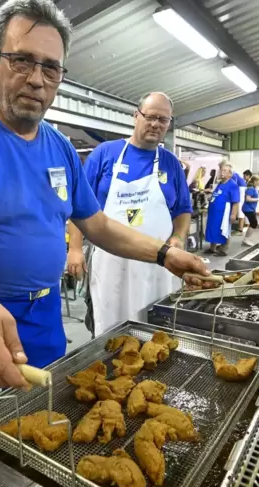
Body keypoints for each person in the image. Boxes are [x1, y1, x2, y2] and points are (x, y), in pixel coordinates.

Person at [0, 0, 208, 425]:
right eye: (22, 61)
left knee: (47, 424)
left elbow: (97, 223)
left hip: (46, 316)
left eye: (51, 68)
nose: (36, 79)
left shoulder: (61, 148)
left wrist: (164, 253)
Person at [66, 91, 192, 335]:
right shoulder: (105, 154)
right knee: (110, 326)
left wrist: (178, 237)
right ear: (136, 116)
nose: (156, 124)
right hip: (111, 261)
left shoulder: (171, 163)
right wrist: (74, 249)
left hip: (160, 263)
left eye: (163, 120)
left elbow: (183, 210)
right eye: (151, 116)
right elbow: (78, 206)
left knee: (158, 327)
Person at [204, 163, 240, 255]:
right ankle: (212, 248)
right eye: (221, 170)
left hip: (224, 212)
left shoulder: (233, 185)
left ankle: (224, 250)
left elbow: (236, 201)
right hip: (214, 212)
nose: (221, 172)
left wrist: (233, 214)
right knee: (214, 228)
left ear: (230, 174)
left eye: (224, 171)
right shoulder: (220, 183)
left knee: (225, 229)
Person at [241, 174, 259, 247]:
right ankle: (246, 239)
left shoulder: (255, 188)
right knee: (254, 223)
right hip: (247, 209)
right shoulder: (251, 188)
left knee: (253, 223)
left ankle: (246, 239)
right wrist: (258, 199)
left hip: (251, 209)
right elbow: (248, 199)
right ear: (255, 181)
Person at [231, 167, 248, 234]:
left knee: (240, 208)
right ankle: (240, 228)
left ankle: (240, 229)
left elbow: (233, 185)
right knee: (240, 208)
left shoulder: (233, 175)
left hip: (240, 189)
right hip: (242, 189)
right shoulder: (236, 174)